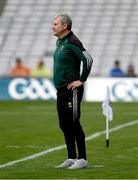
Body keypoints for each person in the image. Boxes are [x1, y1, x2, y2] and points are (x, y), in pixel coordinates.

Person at [52, 14, 93, 169]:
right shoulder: (59, 42)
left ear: (65, 26)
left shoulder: (72, 41)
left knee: (74, 123)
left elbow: (88, 59)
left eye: (55, 24)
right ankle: (71, 157)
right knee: (64, 124)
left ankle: (82, 159)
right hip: (61, 91)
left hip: (72, 91)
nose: (52, 26)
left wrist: (81, 80)